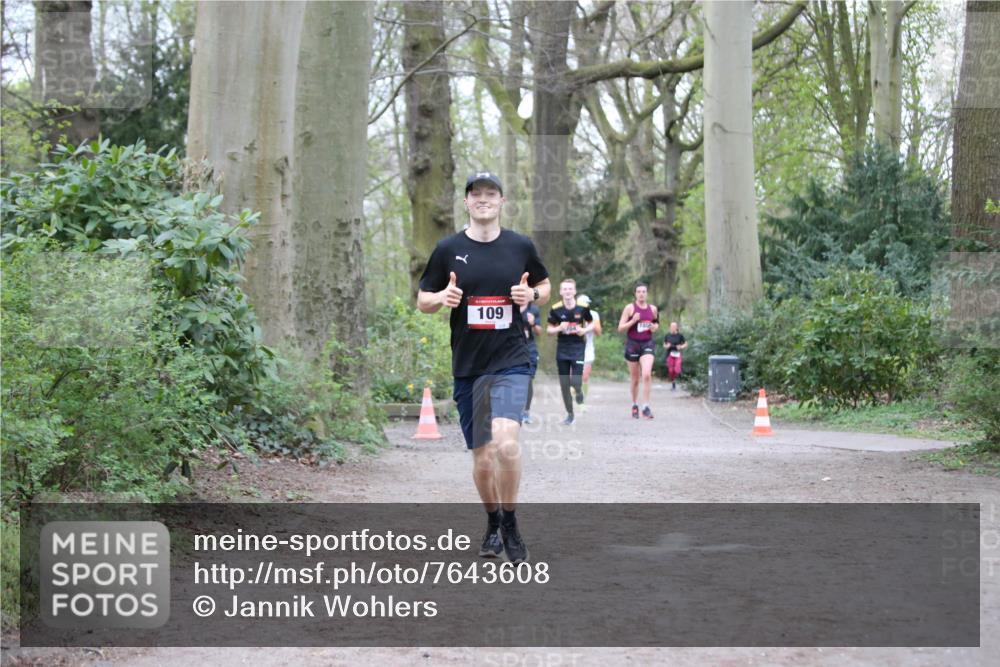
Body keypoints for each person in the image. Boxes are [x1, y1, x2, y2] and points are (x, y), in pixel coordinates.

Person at [417, 170, 550, 565]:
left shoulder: (520, 246)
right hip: (469, 366)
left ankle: (510, 522)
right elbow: (422, 299)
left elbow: (544, 286)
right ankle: (492, 520)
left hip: (512, 360)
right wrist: (443, 296)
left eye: (491, 193)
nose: (484, 199)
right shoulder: (447, 249)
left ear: (502, 201)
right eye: (476, 194)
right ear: (466, 203)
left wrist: (532, 295)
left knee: (507, 444)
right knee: (482, 458)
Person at [546, 279, 593, 425]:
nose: (567, 291)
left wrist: (584, 330)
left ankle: (578, 392)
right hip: (563, 348)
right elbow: (549, 330)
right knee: (564, 384)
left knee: (576, 381)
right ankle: (570, 414)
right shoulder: (555, 309)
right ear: (560, 292)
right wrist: (559, 328)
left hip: (578, 347)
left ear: (574, 291)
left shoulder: (583, 307)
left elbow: (592, 323)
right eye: (564, 289)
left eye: (570, 289)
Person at [617, 283, 659, 419]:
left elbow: (656, 323)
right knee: (635, 379)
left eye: (644, 291)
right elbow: (620, 328)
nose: (641, 294)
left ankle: (645, 406)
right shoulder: (629, 308)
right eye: (639, 291)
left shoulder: (652, 309)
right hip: (632, 344)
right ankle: (634, 404)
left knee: (646, 374)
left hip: (647, 343)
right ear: (635, 294)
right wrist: (632, 321)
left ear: (647, 294)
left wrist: (654, 327)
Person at [520, 299, 542, 423]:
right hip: (512, 348)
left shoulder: (533, 309)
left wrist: (533, 323)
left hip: (529, 349)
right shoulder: (510, 306)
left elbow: (539, 332)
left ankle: (526, 412)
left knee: (528, 380)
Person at [577, 294, 602, 398]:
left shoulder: (593, 315)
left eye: (586, 304)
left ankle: (583, 399)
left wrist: (590, 323)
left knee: (585, 376)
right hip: (574, 348)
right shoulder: (572, 313)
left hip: (588, 348)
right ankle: (574, 396)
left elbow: (598, 332)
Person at [663, 321, 688, 390]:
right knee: (671, 370)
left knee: (676, 369)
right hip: (669, 354)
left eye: (674, 326)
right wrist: (667, 346)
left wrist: (681, 347)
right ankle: (673, 382)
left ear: (677, 327)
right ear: (670, 327)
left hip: (677, 354)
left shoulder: (680, 335)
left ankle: (678, 375)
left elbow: (686, 343)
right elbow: (664, 345)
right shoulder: (667, 335)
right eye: (672, 326)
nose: (673, 328)